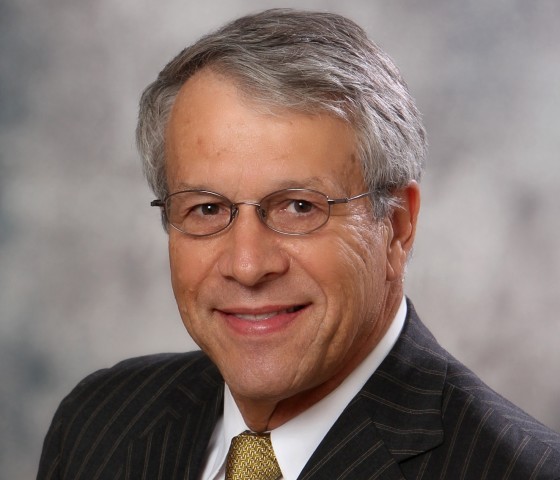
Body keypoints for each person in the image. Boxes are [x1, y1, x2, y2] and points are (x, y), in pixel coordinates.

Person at [37, 8, 560, 479]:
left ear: (397, 226)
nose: (247, 266)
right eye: (207, 208)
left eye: (299, 206)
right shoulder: (97, 424)